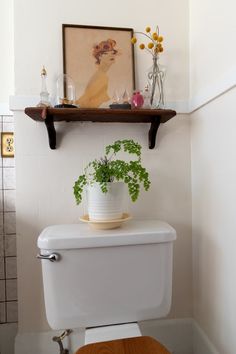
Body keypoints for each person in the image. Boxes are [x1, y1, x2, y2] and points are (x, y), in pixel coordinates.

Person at [76, 39, 119, 108]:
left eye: (112, 53)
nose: (111, 55)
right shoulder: (101, 77)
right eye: (106, 53)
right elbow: (86, 102)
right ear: (99, 56)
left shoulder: (102, 75)